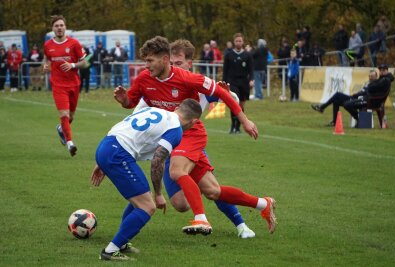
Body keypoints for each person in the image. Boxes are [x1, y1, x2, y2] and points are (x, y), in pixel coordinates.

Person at [114, 36, 276, 237]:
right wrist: (124, 101)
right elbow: (133, 106)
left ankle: (203, 219)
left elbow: (226, 96)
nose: (146, 66)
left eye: (149, 61)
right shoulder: (145, 80)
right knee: (207, 193)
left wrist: (244, 120)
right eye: (145, 61)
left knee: (176, 171)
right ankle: (263, 203)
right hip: (169, 142)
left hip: (191, 135)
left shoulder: (190, 79)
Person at [92, 99, 203, 261]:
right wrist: (158, 193)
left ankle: (122, 243)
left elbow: (125, 127)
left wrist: (103, 159)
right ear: (194, 122)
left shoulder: (156, 110)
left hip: (107, 144)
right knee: (147, 206)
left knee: (140, 197)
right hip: (117, 154)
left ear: (178, 108)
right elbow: (158, 161)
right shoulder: (176, 130)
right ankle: (110, 251)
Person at [43, 15, 88, 156]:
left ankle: (61, 129)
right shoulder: (48, 45)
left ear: (65, 27)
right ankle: (70, 144)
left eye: (61, 25)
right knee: (64, 115)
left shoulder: (74, 44)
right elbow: (46, 60)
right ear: (53, 29)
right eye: (56, 26)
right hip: (58, 85)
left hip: (74, 84)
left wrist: (72, 64)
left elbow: (84, 62)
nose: (59, 28)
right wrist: (45, 66)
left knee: (71, 117)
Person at [311, 67, 393, 126]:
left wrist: (358, 95)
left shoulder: (377, 83)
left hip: (363, 100)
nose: (370, 77)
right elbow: (362, 92)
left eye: (372, 76)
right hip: (356, 97)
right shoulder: (370, 83)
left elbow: (368, 93)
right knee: (337, 95)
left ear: (376, 77)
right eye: (369, 76)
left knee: (341, 100)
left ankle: (359, 120)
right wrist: (355, 95)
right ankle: (332, 119)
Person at [223, 33, 254, 134]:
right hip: (232, 82)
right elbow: (225, 70)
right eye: (237, 41)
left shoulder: (247, 55)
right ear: (234, 42)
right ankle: (233, 127)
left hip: (244, 83)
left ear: (243, 42)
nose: (238, 43)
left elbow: (251, 69)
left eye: (240, 41)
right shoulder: (228, 55)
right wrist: (223, 83)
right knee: (234, 103)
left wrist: (251, 79)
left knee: (241, 105)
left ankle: (238, 127)